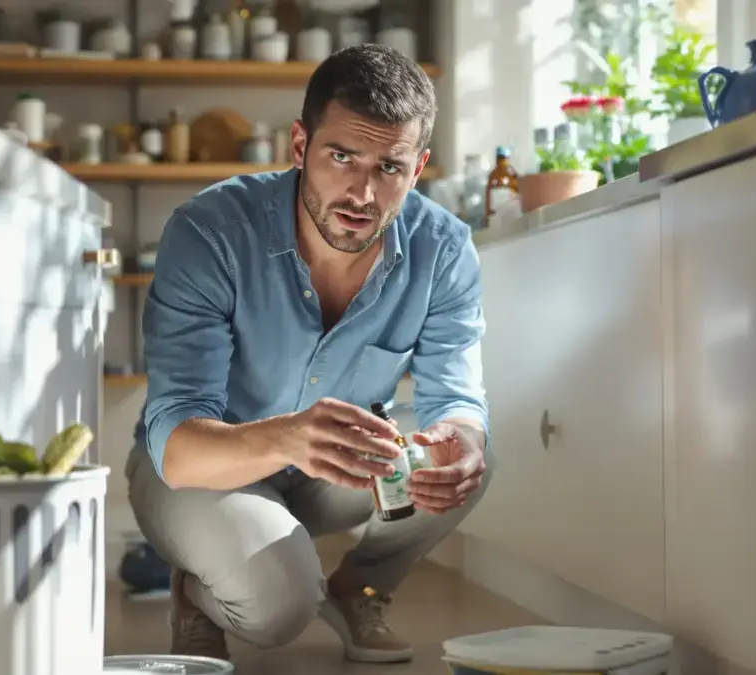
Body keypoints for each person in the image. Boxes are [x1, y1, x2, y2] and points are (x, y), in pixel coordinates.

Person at [126, 44, 492, 665]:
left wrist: (463, 438)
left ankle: (360, 587)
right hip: (200, 470)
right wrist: (289, 437)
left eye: (390, 168)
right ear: (300, 146)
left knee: (464, 455)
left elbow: (454, 397)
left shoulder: (445, 250)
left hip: (327, 471)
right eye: (341, 157)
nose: (363, 193)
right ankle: (196, 591)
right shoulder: (209, 232)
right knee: (278, 609)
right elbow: (178, 443)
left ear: (419, 166)